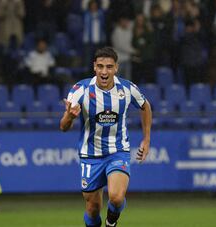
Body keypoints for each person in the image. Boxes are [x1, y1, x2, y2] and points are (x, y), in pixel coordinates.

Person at [60, 47, 152, 227]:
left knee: (116, 197)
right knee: (93, 208)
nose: (104, 71)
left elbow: (145, 106)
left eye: (109, 67)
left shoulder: (127, 88)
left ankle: (111, 223)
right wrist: (70, 116)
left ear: (116, 68)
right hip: (90, 155)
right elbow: (63, 127)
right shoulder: (81, 90)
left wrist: (146, 139)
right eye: (100, 66)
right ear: (94, 67)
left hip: (118, 152)